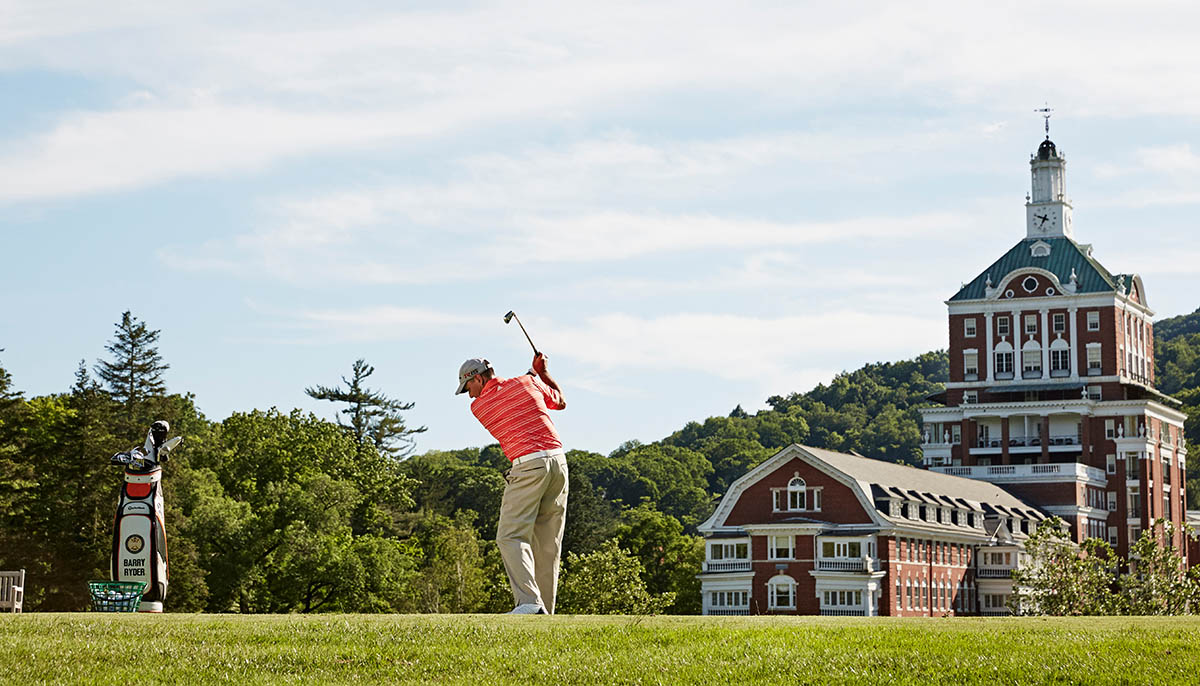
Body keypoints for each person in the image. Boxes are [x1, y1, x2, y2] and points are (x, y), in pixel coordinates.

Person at [457, 353, 567, 614]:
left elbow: (514, 387)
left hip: (529, 467)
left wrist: (533, 372)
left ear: (479, 378)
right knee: (548, 543)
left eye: (469, 387)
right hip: (559, 464)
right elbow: (559, 401)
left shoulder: (480, 407)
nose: (470, 395)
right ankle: (543, 611)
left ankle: (529, 603)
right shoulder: (527, 384)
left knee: (509, 536)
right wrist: (542, 372)